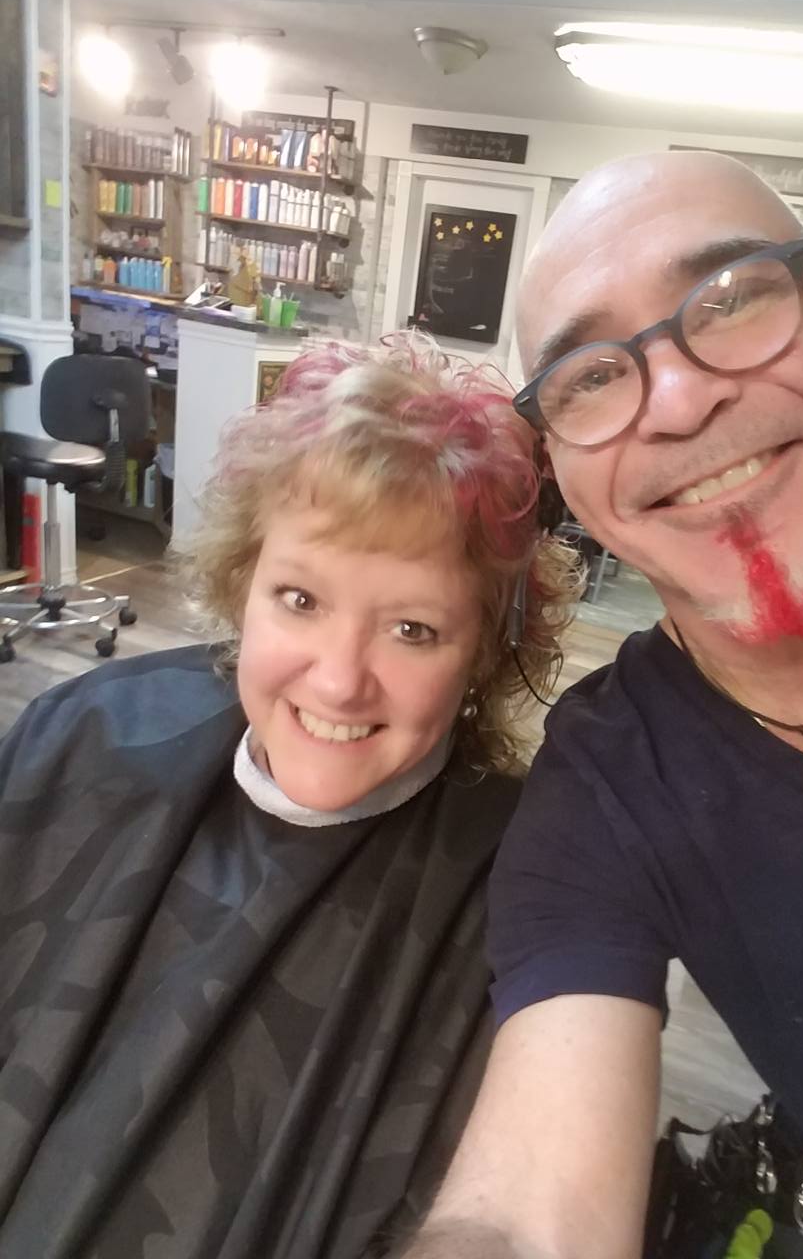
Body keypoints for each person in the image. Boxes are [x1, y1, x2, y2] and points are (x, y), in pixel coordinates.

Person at [397, 153, 803, 1259]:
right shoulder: (604, 784)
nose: (676, 399)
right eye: (589, 377)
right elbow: (531, 1214)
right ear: (560, 469)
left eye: (733, 298)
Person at [0, 334, 580, 1259]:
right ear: (245, 583)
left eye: (412, 628)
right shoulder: (86, 736)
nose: (340, 681)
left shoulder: (530, 894)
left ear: (482, 651)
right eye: (301, 600)